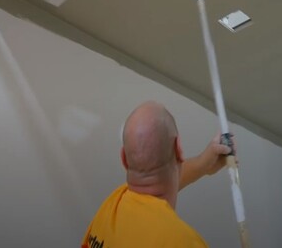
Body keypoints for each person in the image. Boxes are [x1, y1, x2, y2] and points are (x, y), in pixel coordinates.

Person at [81, 101, 233, 248]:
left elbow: (157, 187)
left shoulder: (112, 206)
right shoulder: (182, 242)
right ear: (178, 149)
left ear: (124, 159)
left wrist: (203, 164)